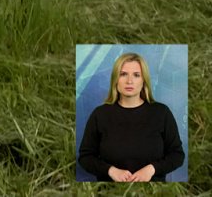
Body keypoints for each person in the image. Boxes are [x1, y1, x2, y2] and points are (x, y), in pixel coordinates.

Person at [78, 52, 185, 182]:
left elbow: (177, 155)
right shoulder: (99, 114)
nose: (129, 81)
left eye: (136, 75)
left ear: (144, 80)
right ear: (115, 79)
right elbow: (85, 157)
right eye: (123, 74)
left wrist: (152, 169)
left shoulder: (161, 113)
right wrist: (111, 171)